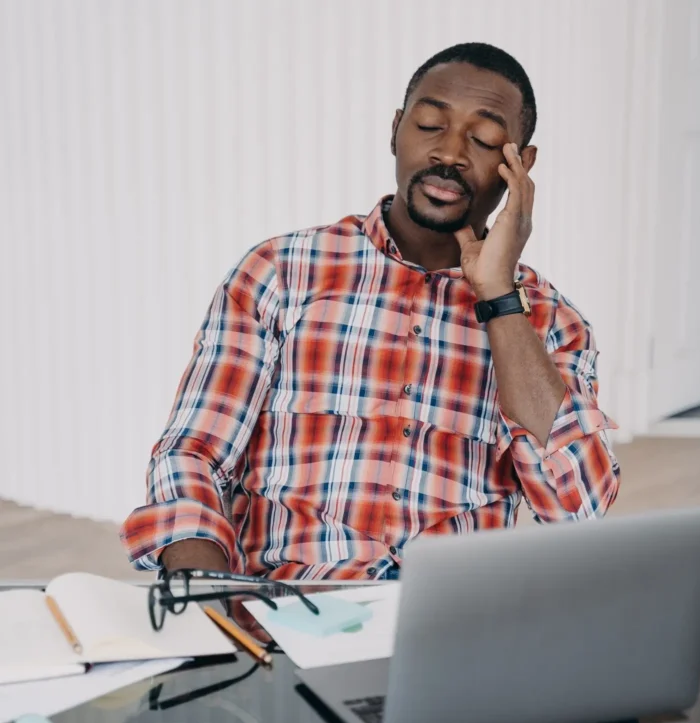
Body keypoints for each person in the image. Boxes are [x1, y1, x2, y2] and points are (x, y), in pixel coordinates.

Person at [120, 42, 620, 582]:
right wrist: (210, 598)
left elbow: (577, 510)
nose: (450, 153)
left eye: (483, 139)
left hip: (448, 625)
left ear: (519, 165)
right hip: (288, 611)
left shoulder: (551, 322)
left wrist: (499, 296)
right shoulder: (280, 272)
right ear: (396, 130)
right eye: (430, 124)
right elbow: (193, 454)